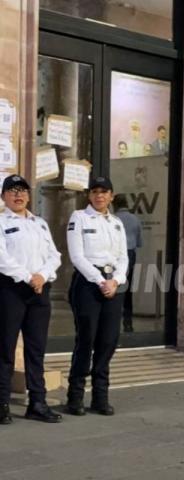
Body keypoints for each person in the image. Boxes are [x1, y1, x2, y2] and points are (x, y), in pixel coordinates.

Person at [0, 174, 62, 424]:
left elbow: (54, 255)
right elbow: (2, 258)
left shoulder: (40, 223)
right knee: (4, 349)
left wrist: (42, 276)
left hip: (39, 290)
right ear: (4, 196)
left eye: (23, 190)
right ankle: (2, 403)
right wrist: (29, 277)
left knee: (36, 350)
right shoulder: (2, 222)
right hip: (11, 290)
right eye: (12, 190)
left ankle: (37, 402)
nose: (18, 195)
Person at [66, 176, 128, 416]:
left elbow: (123, 257)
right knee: (86, 339)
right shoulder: (79, 218)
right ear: (89, 195)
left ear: (111, 196)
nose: (99, 196)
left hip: (113, 284)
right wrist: (101, 281)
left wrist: (116, 280)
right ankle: (76, 396)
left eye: (104, 192)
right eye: (95, 191)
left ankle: (100, 396)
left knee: (108, 341)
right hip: (88, 284)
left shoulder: (116, 223)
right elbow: (77, 256)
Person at [112, 194, 143, 333]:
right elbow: (139, 242)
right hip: (130, 254)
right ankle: (128, 322)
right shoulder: (135, 219)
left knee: (114, 287)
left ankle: (112, 320)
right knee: (128, 288)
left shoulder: (112, 219)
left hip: (115, 256)